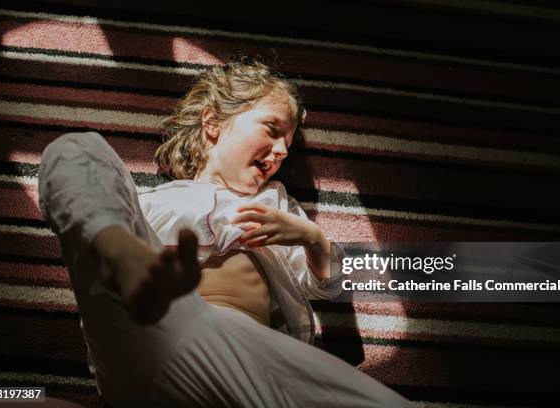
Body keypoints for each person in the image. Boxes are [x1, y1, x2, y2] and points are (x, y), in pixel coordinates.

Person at [38, 58, 413, 407]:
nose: (282, 150)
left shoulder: (278, 206)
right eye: (272, 129)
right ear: (212, 123)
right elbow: (80, 193)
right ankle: (124, 258)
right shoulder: (149, 202)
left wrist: (310, 236)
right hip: (148, 331)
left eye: (288, 145)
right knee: (76, 149)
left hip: (249, 356)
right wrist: (120, 241)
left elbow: (334, 281)